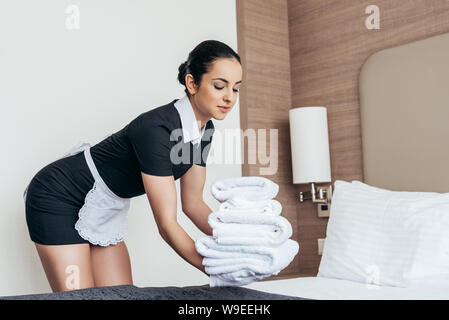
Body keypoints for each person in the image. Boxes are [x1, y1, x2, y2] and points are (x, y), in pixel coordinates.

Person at [23, 39, 243, 292]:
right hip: (57, 195)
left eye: (236, 89)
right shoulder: (157, 129)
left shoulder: (204, 130)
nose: (229, 97)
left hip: (103, 205)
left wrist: (238, 245)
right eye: (219, 86)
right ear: (192, 83)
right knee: (81, 298)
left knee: (121, 296)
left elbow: (193, 204)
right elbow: (167, 225)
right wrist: (218, 269)